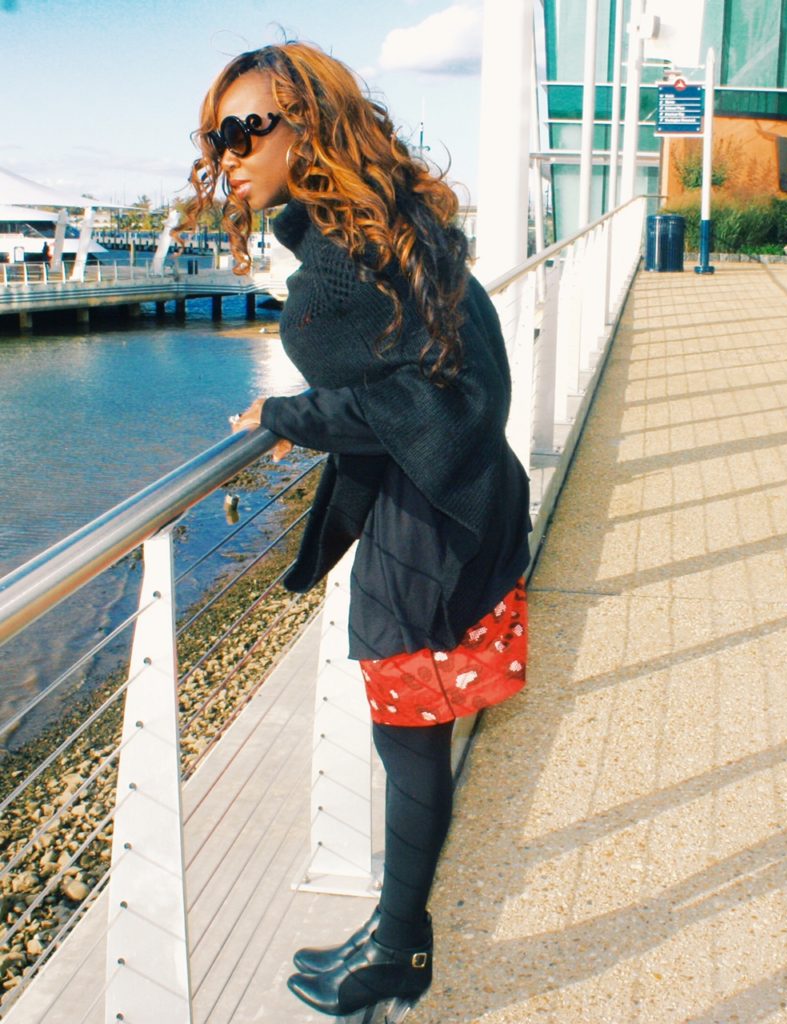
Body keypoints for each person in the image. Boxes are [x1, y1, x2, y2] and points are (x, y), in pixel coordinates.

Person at [180, 42, 531, 1021]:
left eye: (249, 129)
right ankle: (392, 934)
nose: (233, 153)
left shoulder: (329, 283)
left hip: (424, 520)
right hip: (463, 498)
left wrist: (290, 417)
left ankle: (396, 947)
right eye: (221, 136)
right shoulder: (387, 229)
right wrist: (312, 411)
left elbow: (397, 400)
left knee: (407, 738)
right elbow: (429, 373)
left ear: (309, 131)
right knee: (409, 736)